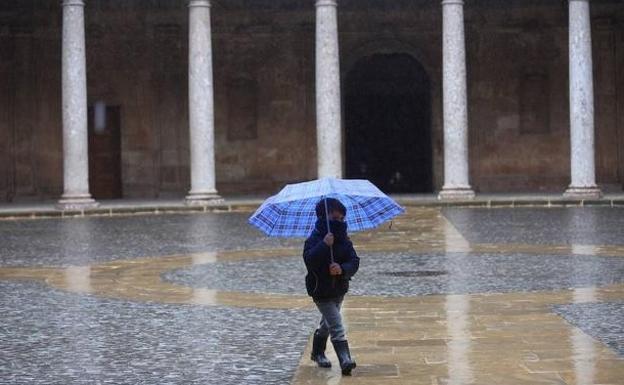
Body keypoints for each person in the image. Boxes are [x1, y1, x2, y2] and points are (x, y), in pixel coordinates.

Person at [303, 198, 360, 375]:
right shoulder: (314, 239)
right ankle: (345, 360)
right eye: (335, 218)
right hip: (321, 291)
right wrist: (323, 245)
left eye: (342, 219)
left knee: (327, 324)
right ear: (323, 218)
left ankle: (317, 352)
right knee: (336, 324)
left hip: (339, 289)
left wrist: (342, 269)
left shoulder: (344, 240)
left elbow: (354, 261)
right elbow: (309, 260)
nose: (339, 222)